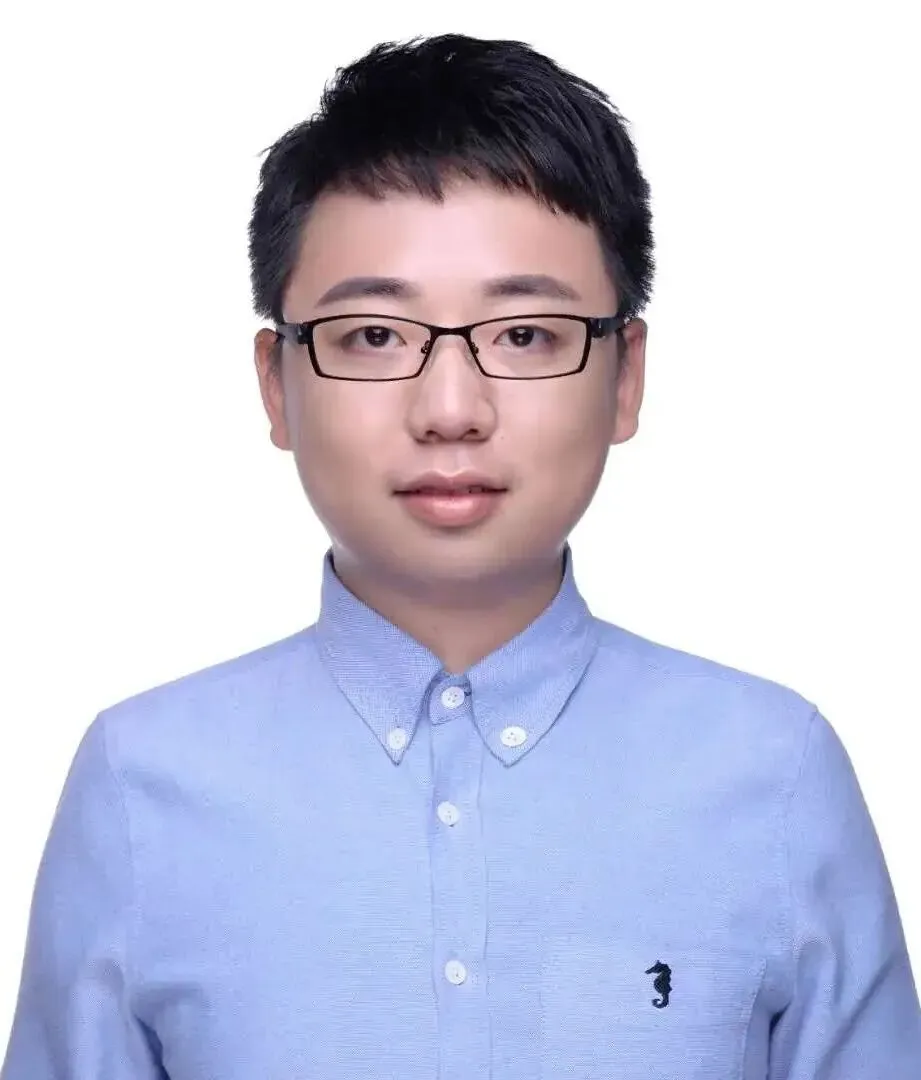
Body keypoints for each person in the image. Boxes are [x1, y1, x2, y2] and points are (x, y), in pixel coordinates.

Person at [2, 32, 919, 1080]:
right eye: (375, 336)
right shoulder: (140, 782)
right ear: (275, 385)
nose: (450, 409)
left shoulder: (773, 770)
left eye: (524, 334)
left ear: (624, 377)